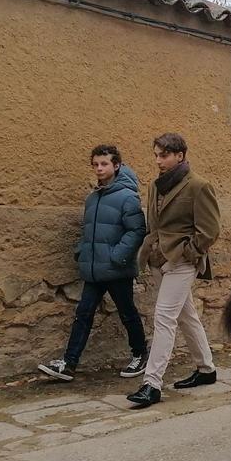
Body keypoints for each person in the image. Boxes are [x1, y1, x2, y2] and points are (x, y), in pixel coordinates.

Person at [37, 145, 147, 381]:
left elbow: (137, 230)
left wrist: (117, 257)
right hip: (94, 269)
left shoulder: (128, 196)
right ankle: (69, 363)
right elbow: (87, 232)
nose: (99, 168)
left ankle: (140, 355)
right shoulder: (92, 198)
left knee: (127, 313)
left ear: (116, 165)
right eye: (95, 164)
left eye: (104, 163)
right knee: (83, 314)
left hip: (117, 269)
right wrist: (82, 251)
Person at [128, 133, 222, 408]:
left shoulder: (199, 186)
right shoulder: (156, 186)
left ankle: (152, 383)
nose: (159, 160)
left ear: (179, 155)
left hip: (183, 262)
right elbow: (153, 223)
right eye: (156, 155)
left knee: (164, 317)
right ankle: (207, 369)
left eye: (164, 155)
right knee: (186, 315)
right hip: (159, 259)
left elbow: (210, 230)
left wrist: (187, 254)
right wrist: (152, 250)